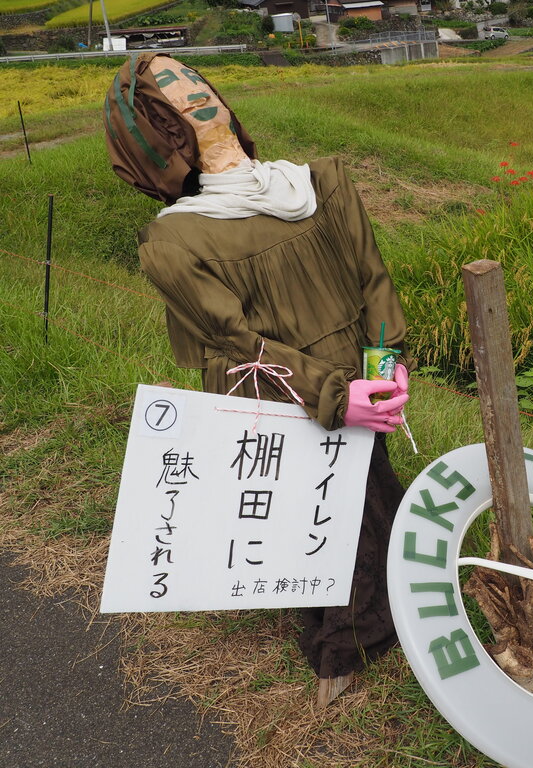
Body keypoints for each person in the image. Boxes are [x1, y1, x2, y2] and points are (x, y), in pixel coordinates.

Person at [103, 52, 411, 707]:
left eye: (192, 77)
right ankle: (344, 647)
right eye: (169, 92)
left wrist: (383, 372)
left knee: (371, 500)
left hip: (358, 385)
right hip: (280, 400)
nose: (193, 91)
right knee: (315, 515)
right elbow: (239, 344)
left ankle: (376, 620)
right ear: (156, 131)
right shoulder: (175, 243)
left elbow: (372, 282)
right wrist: (336, 396)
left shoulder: (319, 184)